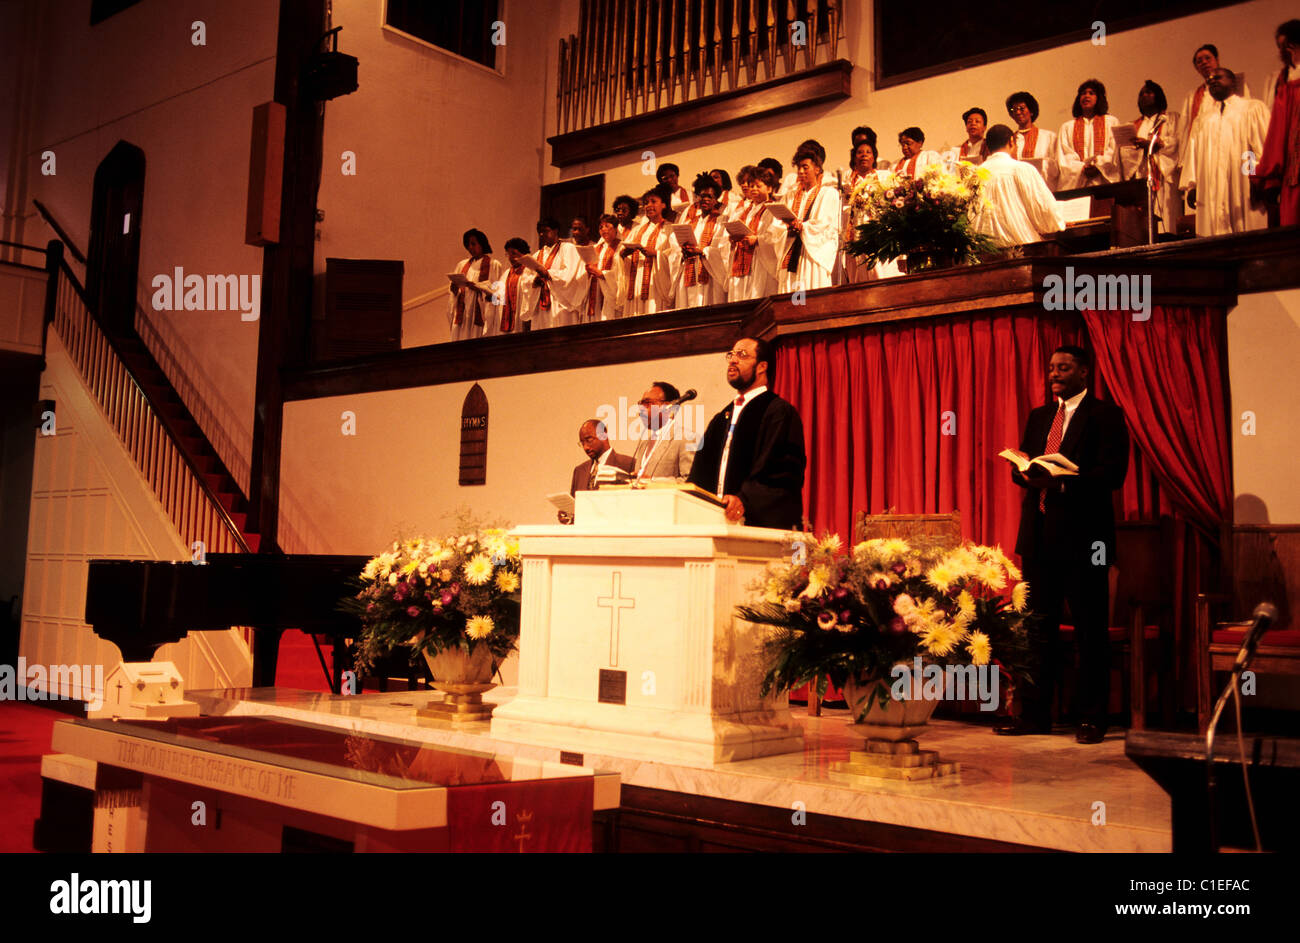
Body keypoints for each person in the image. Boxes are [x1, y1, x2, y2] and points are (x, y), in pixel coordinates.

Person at [998, 346, 1129, 744]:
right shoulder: (1040, 417)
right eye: (1052, 368)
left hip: (1085, 537)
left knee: (1090, 629)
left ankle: (1091, 718)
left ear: (1084, 372)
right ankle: (1035, 714)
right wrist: (1025, 472)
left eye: (1064, 368)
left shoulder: (1105, 415)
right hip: (1039, 534)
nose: (1054, 374)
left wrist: (1064, 481)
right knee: (1038, 629)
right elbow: (1029, 468)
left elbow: (1112, 474)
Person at [688, 337, 805, 529]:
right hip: (714, 522)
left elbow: (782, 473)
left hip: (757, 525)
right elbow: (699, 474)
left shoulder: (779, 412)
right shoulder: (721, 419)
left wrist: (744, 499)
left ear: (762, 367)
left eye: (742, 355)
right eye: (731, 354)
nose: (733, 360)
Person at [1181, 68, 1271, 236]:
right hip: (1210, 187)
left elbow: (1254, 148)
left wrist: (1253, 177)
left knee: (1246, 229)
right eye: (1209, 80)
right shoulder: (1203, 120)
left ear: (1233, 82)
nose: (1212, 81)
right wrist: (1192, 186)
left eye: (1218, 77)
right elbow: (1193, 156)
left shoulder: (1250, 109)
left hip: (1242, 183)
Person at [971, 124, 1065, 247]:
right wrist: (1059, 222)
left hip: (982, 251)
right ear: (1011, 141)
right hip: (1021, 248)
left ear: (987, 146)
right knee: (1068, 263)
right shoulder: (1021, 169)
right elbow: (1043, 209)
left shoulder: (974, 174)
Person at [773, 144, 841, 293]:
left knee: (809, 299)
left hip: (811, 255)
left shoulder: (828, 194)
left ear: (817, 169)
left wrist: (803, 227)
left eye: (805, 167)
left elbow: (826, 225)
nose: (801, 172)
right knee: (793, 302)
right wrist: (787, 227)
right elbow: (776, 226)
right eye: (798, 168)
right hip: (790, 253)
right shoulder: (789, 196)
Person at [1119, 81, 1183, 234]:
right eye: (1141, 94)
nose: (1144, 96)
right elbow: (1124, 154)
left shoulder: (1171, 118)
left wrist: (1157, 144)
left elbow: (1177, 142)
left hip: (1163, 178)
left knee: (1166, 220)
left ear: (1159, 96)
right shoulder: (1133, 125)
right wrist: (1137, 148)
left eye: (1149, 92)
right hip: (1141, 177)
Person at [1255, 21, 1300, 227]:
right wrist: (1270, 176)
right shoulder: (1283, 81)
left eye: (1286, 46)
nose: (1283, 52)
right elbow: (1278, 129)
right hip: (1294, 172)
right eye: (1281, 47)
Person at [1178, 44, 1254, 159]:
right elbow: (1184, 129)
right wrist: (1184, 160)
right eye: (1199, 61)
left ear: (1217, 60)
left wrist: (1250, 160)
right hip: (1204, 150)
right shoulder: (1192, 97)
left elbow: (1247, 117)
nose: (1204, 62)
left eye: (1208, 58)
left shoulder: (1236, 85)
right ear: (1197, 69)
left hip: (1233, 146)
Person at [842, 141, 900, 283]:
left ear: (874, 158)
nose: (864, 155)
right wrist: (850, 201)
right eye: (860, 152)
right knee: (859, 277)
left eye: (868, 152)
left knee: (882, 273)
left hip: (880, 233)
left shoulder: (883, 177)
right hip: (856, 236)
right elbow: (841, 212)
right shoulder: (848, 182)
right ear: (854, 158)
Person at [672, 173, 731, 308]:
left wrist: (703, 251)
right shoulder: (689, 222)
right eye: (701, 196)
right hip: (688, 273)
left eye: (709, 196)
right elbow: (674, 247)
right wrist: (682, 251)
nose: (705, 199)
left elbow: (723, 250)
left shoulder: (721, 222)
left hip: (710, 276)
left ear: (716, 200)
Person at [560, 419, 636, 523]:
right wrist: (568, 516)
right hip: (583, 535)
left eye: (589, 440)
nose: (586, 447)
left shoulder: (628, 464)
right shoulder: (579, 471)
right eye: (582, 443)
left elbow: (633, 507)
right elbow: (576, 509)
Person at [727, 165, 782, 300]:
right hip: (742, 261)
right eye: (751, 186)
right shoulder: (743, 211)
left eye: (758, 186)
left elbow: (776, 236)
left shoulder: (773, 209)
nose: (754, 189)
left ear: (769, 188)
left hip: (761, 262)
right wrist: (733, 238)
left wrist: (757, 239)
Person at [619, 189, 676, 315]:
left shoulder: (670, 229)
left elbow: (675, 256)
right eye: (646, 203)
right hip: (636, 283)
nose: (649, 205)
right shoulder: (636, 231)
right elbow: (622, 257)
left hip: (656, 283)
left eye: (653, 201)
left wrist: (656, 254)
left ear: (664, 205)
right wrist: (623, 255)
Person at [1056, 79, 1120, 188]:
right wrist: (1082, 168)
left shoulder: (1111, 122)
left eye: (1091, 93)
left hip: (1104, 182)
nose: (1086, 96)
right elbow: (1064, 157)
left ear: (1099, 98)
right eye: (1083, 93)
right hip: (1078, 185)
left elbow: (1114, 151)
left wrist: (1098, 166)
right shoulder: (1067, 127)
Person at [631, 381, 695, 481]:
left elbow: (689, 480)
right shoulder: (643, 444)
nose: (641, 409)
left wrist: (654, 482)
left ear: (668, 407)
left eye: (647, 403)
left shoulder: (685, 438)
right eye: (640, 404)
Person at [446, 228, 500, 342]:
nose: (470, 247)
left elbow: (498, 294)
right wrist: (454, 289)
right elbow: (453, 294)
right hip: (464, 312)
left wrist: (479, 288)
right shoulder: (462, 265)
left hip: (480, 311)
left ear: (482, 243)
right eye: (468, 245)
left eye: (473, 244)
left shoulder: (494, 265)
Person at [533, 217, 586, 329]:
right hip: (541, 304)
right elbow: (527, 278)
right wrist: (533, 281)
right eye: (540, 232)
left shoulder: (568, 248)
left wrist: (549, 274)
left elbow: (571, 274)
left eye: (545, 231)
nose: (542, 234)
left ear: (555, 231)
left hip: (561, 303)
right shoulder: (537, 255)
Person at [1005, 91, 1058, 189]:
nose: (1017, 112)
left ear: (1031, 111)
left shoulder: (1049, 137)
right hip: (1016, 189)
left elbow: (1056, 168)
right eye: (1014, 109)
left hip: (1041, 188)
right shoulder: (1009, 141)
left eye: (1021, 108)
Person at [489, 237, 541, 335]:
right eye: (508, 254)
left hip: (521, 317)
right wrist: (491, 296)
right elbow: (497, 298)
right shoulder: (505, 274)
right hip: (505, 318)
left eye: (514, 253)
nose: (510, 257)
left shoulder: (529, 270)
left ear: (524, 254)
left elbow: (533, 292)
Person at [583, 214, 623, 321]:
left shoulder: (621, 247)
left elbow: (622, 274)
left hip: (610, 292)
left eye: (607, 226)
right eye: (601, 227)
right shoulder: (596, 248)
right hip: (595, 293)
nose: (604, 229)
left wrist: (602, 274)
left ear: (615, 228)